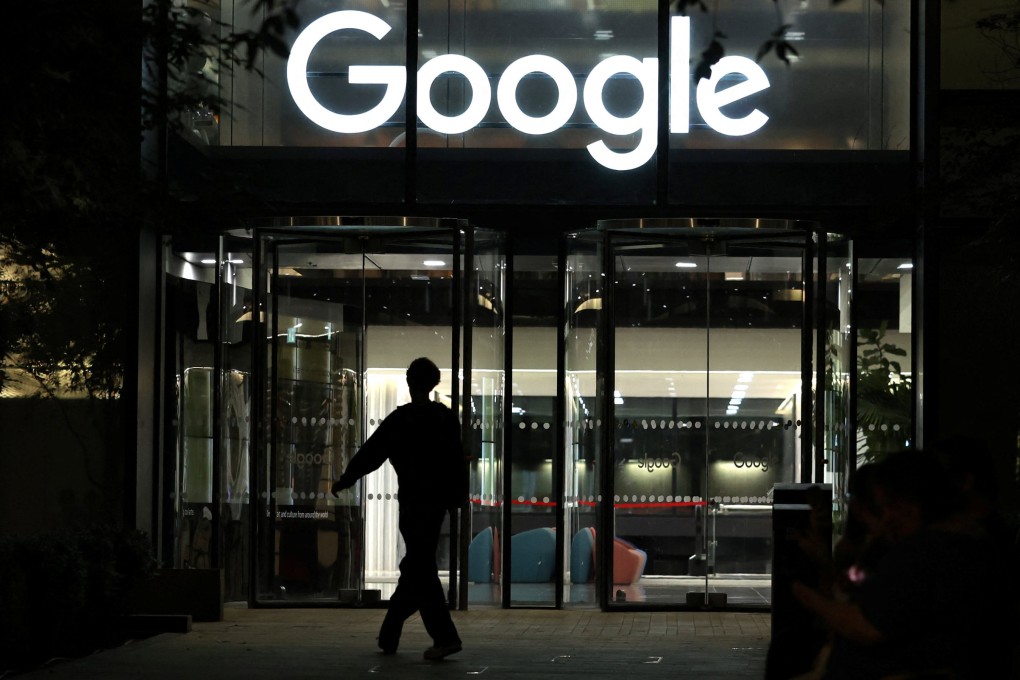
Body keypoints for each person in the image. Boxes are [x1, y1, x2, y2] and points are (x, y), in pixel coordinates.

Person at [331, 357, 469, 660]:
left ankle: (445, 637)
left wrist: (346, 479)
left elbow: (371, 454)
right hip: (435, 507)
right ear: (434, 384)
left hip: (412, 505)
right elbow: (458, 462)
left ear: (410, 383)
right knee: (417, 567)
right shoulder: (445, 418)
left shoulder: (401, 420)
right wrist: (457, 500)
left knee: (421, 569)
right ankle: (389, 634)